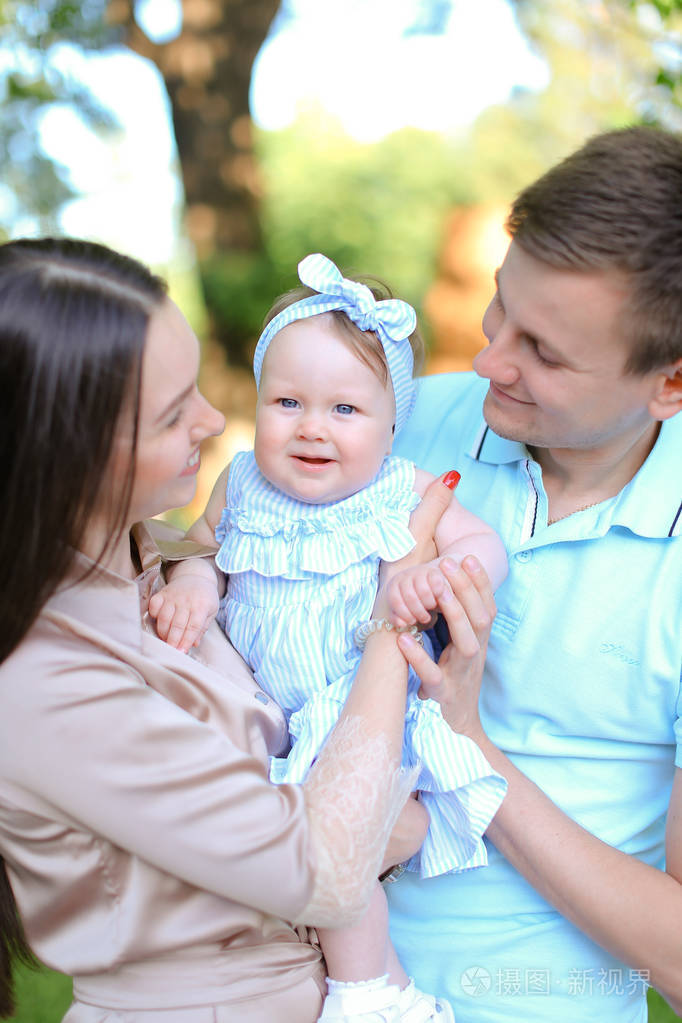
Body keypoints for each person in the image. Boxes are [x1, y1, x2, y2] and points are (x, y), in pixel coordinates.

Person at [0, 237, 497, 1023]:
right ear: (70, 450)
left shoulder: (152, 561)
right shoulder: (45, 680)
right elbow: (332, 863)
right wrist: (389, 614)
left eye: (198, 386)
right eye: (172, 411)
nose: (210, 418)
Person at [149, 252, 509, 1022]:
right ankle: (381, 988)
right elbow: (204, 546)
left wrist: (434, 579)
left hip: (353, 714)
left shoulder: (403, 489)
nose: (312, 427)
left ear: (390, 424)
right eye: (287, 401)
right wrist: (191, 583)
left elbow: (485, 549)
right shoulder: (240, 481)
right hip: (258, 715)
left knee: (334, 836)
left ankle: (366, 993)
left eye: (345, 410)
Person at [385, 124, 682, 1023]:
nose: (487, 361)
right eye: (497, 307)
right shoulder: (399, 422)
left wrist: (464, 739)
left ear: (671, 384)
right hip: (291, 981)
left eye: (544, 352)